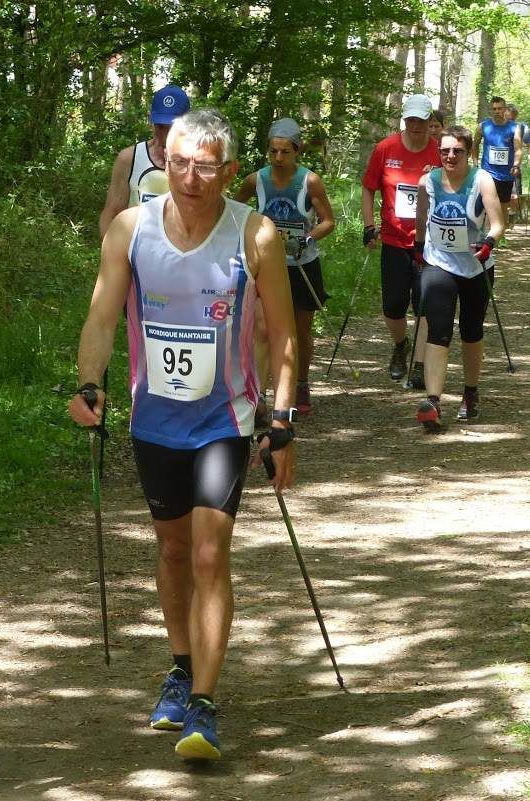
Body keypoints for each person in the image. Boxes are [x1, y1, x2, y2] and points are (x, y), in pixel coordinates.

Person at [70, 108, 298, 762]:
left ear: (230, 171)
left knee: (207, 551)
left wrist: (282, 420)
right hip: (154, 420)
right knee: (172, 549)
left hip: (225, 419)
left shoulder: (254, 235)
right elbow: (102, 318)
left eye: (204, 166)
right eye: (178, 163)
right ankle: (179, 667)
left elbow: (283, 336)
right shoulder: (131, 229)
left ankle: (203, 700)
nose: (190, 178)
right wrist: (89, 383)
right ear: (162, 162)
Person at [235, 118, 336, 416]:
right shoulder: (255, 180)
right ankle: (260, 395)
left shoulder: (310, 182)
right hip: (266, 266)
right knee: (263, 327)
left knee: (300, 330)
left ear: (297, 151)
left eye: (285, 152)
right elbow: (233, 212)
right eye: (273, 151)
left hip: (302, 263)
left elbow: (328, 221)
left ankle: (301, 382)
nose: (278, 158)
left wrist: (305, 239)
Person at [413, 125, 505, 431]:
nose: (450, 156)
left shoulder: (482, 180)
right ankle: (433, 402)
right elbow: (421, 218)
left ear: (469, 152)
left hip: (475, 266)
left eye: (457, 151)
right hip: (438, 262)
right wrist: (418, 248)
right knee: (438, 328)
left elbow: (498, 223)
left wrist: (489, 242)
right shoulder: (427, 181)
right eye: (445, 151)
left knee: (471, 330)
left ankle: (470, 392)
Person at [361, 93, 441, 387]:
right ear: (404, 120)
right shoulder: (386, 148)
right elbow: (368, 188)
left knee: (424, 305)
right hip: (394, 240)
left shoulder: (440, 152)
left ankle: (419, 364)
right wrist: (369, 226)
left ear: (430, 121)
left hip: (429, 243)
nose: (415, 125)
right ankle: (400, 345)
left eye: (421, 120)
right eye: (410, 119)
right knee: (393, 306)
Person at [99, 85, 191, 239]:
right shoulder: (130, 158)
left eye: (172, 128)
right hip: (135, 249)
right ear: (151, 121)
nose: (165, 135)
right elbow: (111, 213)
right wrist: (112, 250)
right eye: (160, 126)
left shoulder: (200, 163)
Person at [473, 96, 523, 226]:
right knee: (488, 205)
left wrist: (516, 165)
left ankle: (500, 233)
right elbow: (474, 145)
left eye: (499, 108)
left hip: (506, 175)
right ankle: (488, 234)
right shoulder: (483, 126)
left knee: (503, 208)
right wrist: (475, 164)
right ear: (491, 110)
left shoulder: (514, 128)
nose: (496, 111)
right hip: (488, 174)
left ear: (505, 109)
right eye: (494, 109)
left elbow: (518, 149)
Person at [506, 103, 530, 218]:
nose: (510, 121)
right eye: (508, 118)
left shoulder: (521, 127)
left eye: (512, 119)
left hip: (514, 166)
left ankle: (513, 216)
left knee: (515, 195)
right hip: (497, 167)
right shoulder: (497, 127)